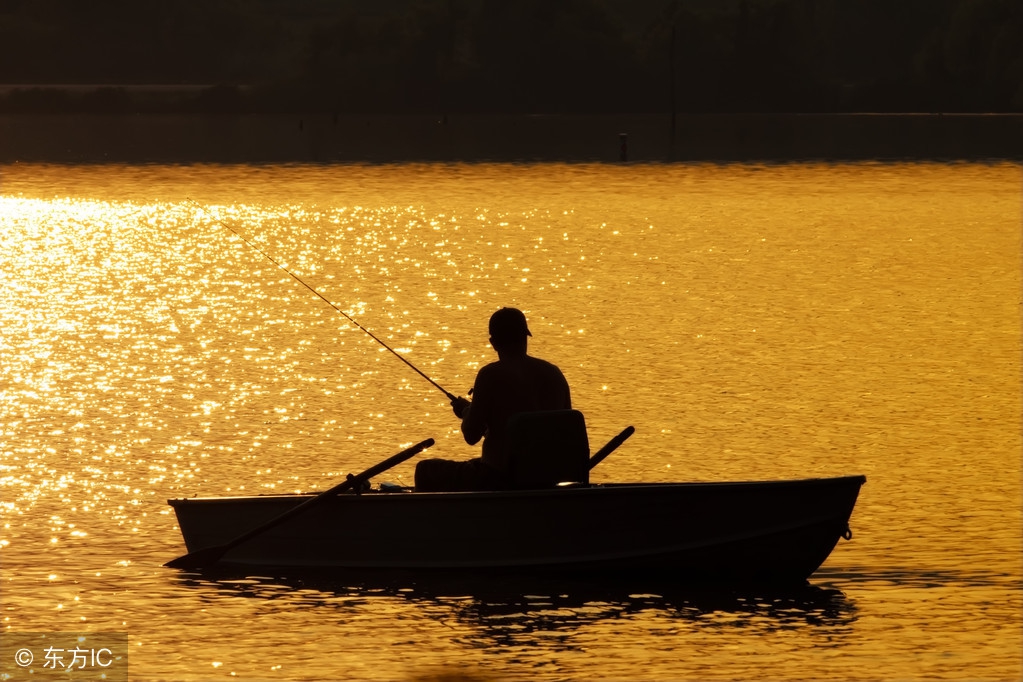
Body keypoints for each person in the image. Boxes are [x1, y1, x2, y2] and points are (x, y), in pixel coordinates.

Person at [414, 307, 571, 492]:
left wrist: (466, 411)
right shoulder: (554, 373)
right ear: (525, 337)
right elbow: (564, 430)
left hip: (500, 478)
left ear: (493, 342)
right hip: (547, 477)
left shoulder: (490, 375)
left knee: (425, 470)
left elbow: (471, 436)